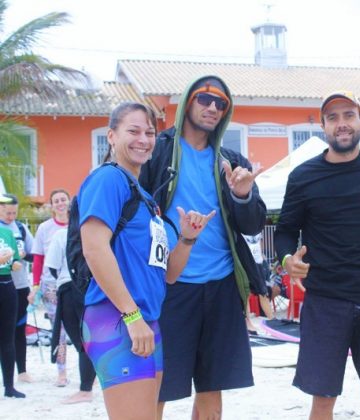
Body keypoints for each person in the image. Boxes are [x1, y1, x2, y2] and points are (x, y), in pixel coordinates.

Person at [139, 75, 266, 419]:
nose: (212, 107)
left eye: (221, 103)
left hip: (223, 284)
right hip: (169, 285)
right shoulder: (160, 149)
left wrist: (242, 194)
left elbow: (253, 225)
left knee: (213, 384)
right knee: (158, 383)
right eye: (204, 99)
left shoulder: (232, 160)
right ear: (187, 103)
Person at [274, 91, 360, 420]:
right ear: (323, 127)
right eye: (333, 118)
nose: (342, 124)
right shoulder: (303, 176)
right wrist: (288, 259)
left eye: (348, 115)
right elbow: (285, 230)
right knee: (322, 400)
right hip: (325, 301)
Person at [78, 102, 212, 419]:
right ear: (111, 136)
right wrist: (132, 316)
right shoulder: (108, 179)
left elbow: (167, 275)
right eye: (133, 131)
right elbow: (94, 248)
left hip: (144, 320)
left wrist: (187, 237)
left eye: (150, 132)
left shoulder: (145, 198)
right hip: (117, 319)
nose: (144, 139)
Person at [44, 227, 97, 404]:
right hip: (95, 287)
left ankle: (85, 389)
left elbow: (52, 266)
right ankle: (90, 382)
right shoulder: (99, 229)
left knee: (83, 343)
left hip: (71, 286)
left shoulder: (61, 233)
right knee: (92, 339)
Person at [29, 188, 71, 387]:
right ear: (51, 205)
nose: (60, 203)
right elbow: (38, 259)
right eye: (56, 201)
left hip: (75, 284)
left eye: (63, 199)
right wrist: (35, 286)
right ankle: (61, 371)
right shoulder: (45, 229)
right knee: (59, 330)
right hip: (51, 286)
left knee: (83, 327)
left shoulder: (78, 224)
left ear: (69, 202)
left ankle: (89, 370)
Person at [0, 193, 34, 383]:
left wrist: (21, 255)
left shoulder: (20, 227)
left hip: (19, 285)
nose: (11, 216)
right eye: (7, 213)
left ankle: (21, 370)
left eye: (14, 212)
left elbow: (34, 253)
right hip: (3, 282)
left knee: (18, 328)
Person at [0, 221, 24, 397]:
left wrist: (16, 262)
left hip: (7, 284)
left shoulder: (7, 232)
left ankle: (9, 387)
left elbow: (14, 259)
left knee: (8, 338)